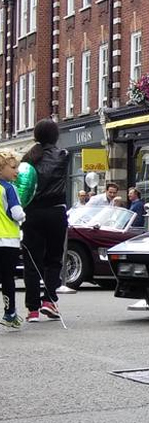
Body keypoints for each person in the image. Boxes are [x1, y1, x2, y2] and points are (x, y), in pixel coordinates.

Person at [21, 119, 69, 322]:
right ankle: (49, 300)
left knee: (32, 261)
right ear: (55, 136)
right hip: (56, 213)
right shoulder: (64, 155)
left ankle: (32, 310)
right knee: (53, 259)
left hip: (32, 214)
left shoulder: (28, 158)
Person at [0, 150, 25, 329]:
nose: (17, 171)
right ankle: (10, 314)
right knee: (7, 278)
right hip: (8, 240)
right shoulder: (10, 188)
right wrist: (24, 216)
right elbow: (16, 213)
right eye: (13, 167)